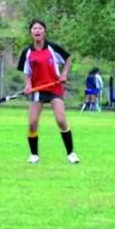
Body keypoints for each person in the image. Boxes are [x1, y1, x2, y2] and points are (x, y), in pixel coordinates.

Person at [17, 19, 79, 164]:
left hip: (54, 88)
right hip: (37, 90)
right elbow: (27, 72)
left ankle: (71, 153)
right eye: (34, 28)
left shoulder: (52, 48)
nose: (37, 31)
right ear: (31, 32)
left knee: (61, 120)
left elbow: (68, 58)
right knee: (32, 123)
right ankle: (34, 155)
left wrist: (64, 74)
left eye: (40, 28)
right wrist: (28, 85)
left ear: (44, 31)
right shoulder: (27, 52)